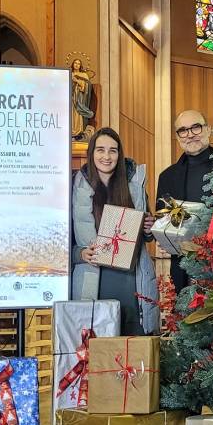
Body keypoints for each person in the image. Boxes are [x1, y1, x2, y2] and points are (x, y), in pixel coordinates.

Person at [73, 128, 159, 335]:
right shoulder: (75, 189)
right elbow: (64, 244)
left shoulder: (135, 186)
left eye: (113, 151)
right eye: (100, 150)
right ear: (91, 153)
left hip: (132, 281)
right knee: (98, 347)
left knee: (134, 346)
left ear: (119, 155)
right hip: (95, 279)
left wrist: (149, 228)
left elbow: (147, 234)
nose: (106, 156)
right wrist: (80, 253)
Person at [156, 110, 213, 295]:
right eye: (183, 130)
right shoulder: (167, 177)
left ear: (208, 129)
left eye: (195, 127)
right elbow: (164, 222)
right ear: (177, 137)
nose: (189, 134)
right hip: (185, 270)